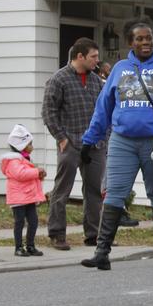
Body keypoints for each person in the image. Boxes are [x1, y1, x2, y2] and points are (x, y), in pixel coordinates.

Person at [80, 21, 153, 270]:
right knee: (115, 192)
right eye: (140, 39)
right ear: (130, 43)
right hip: (122, 140)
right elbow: (104, 107)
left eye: (149, 38)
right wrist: (89, 140)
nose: (145, 43)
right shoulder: (120, 69)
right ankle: (102, 252)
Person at [41, 37, 106, 250]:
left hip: (94, 145)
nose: (97, 61)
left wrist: (104, 137)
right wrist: (61, 138)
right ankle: (57, 234)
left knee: (94, 191)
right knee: (62, 190)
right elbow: (49, 112)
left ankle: (93, 234)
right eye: (93, 56)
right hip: (69, 143)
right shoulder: (58, 79)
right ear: (80, 56)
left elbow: (105, 111)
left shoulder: (97, 81)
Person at [0, 124, 47, 257]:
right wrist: (36, 171)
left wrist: (39, 175)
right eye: (30, 144)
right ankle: (18, 247)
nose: (32, 146)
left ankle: (30, 245)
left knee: (33, 221)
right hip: (18, 198)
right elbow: (21, 174)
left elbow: (29, 175)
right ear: (21, 145)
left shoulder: (25, 159)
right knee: (19, 222)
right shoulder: (13, 161)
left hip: (28, 197)